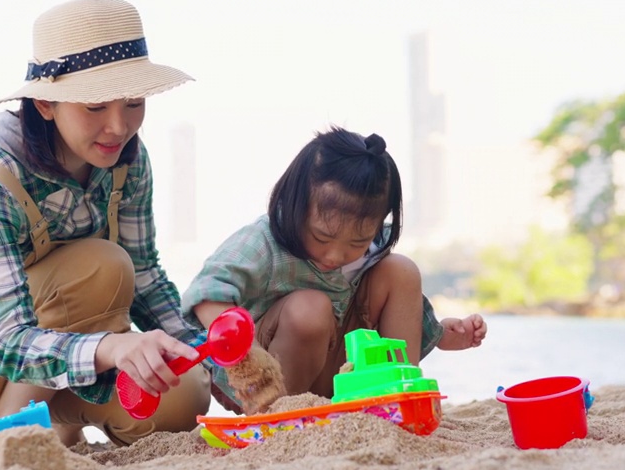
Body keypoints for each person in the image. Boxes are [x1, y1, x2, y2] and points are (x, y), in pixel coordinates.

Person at [0, 0, 210, 448]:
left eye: (134, 103)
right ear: (44, 105)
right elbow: (5, 338)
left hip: (54, 342)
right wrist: (111, 348)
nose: (119, 126)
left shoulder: (126, 160)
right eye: (95, 107)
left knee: (184, 395)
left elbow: (147, 277)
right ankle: (11, 441)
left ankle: (57, 421)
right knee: (102, 266)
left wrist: (218, 362)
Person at [181, 126, 487, 414]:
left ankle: (398, 397)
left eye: (358, 241)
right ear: (295, 204)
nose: (336, 255)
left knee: (400, 269)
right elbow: (206, 293)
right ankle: (280, 412)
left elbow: (399, 312)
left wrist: (445, 335)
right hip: (265, 374)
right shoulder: (263, 241)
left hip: (338, 368)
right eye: (321, 237)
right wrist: (245, 354)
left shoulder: (373, 248)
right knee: (310, 308)